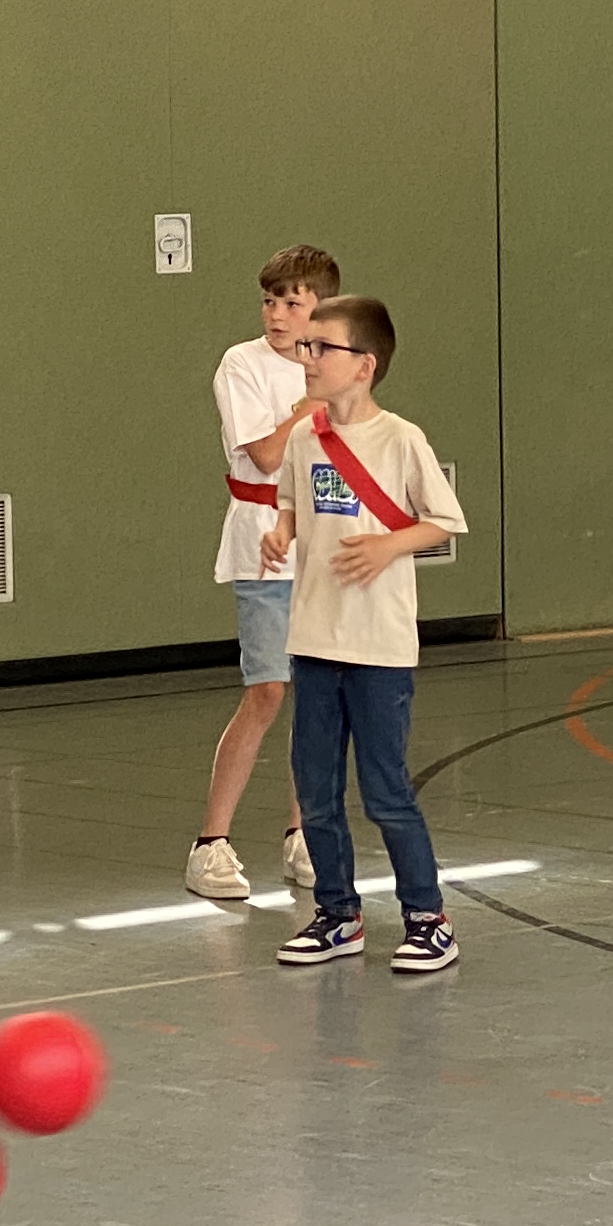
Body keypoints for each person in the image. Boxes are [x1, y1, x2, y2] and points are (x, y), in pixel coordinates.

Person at [262, 297, 470, 975]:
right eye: (307, 347)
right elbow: (291, 500)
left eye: (324, 348)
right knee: (315, 789)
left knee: (385, 790)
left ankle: (427, 918)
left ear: (365, 366)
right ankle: (337, 914)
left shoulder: (401, 438)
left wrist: (388, 547)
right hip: (315, 640)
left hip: (377, 648)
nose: (309, 358)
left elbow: (442, 520)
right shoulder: (302, 438)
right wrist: (282, 533)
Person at [187, 243, 336, 904]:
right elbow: (269, 451)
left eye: (293, 303)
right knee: (268, 688)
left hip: (320, 544)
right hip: (261, 543)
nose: (277, 314)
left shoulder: (339, 364)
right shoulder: (240, 365)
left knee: (319, 691)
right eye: (271, 300)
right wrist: (307, 406)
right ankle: (210, 844)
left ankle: (304, 834)